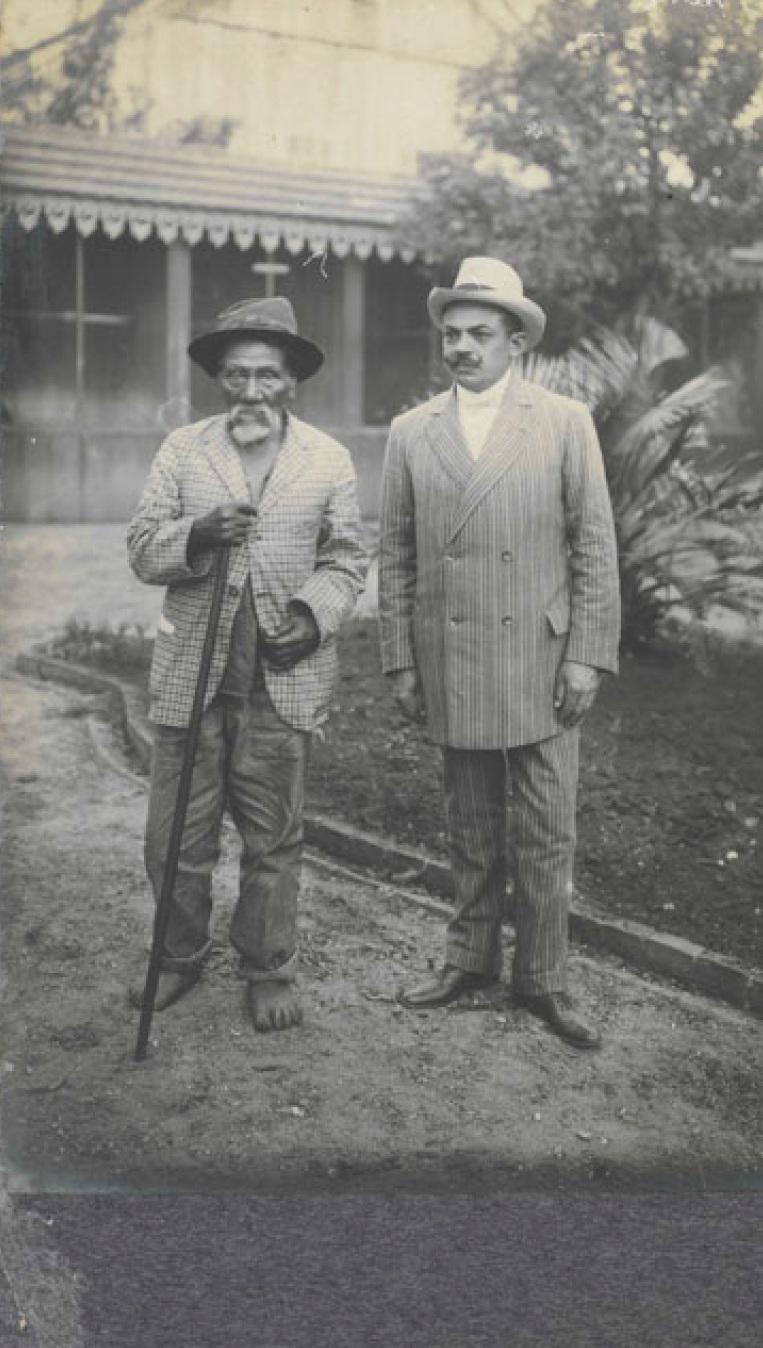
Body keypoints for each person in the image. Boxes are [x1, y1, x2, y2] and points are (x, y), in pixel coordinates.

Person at [378, 257, 620, 1049]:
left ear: (515, 341)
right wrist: (400, 659)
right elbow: (395, 554)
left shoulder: (563, 421)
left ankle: (542, 976)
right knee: (470, 823)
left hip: (540, 660)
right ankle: (469, 959)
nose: (461, 346)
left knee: (548, 828)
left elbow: (594, 545)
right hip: (452, 656)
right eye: (451, 333)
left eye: (479, 333)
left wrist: (586, 655)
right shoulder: (411, 432)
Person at [127, 296, 368, 1031]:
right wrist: (198, 533)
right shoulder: (183, 450)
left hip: (280, 683)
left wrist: (312, 616)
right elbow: (142, 549)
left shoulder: (326, 459)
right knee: (175, 836)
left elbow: (347, 560)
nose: (252, 390)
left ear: (292, 379)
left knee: (273, 838)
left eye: (267, 375)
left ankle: (268, 968)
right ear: (218, 379)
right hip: (191, 678)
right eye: (237, 375)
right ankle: (178, 956)